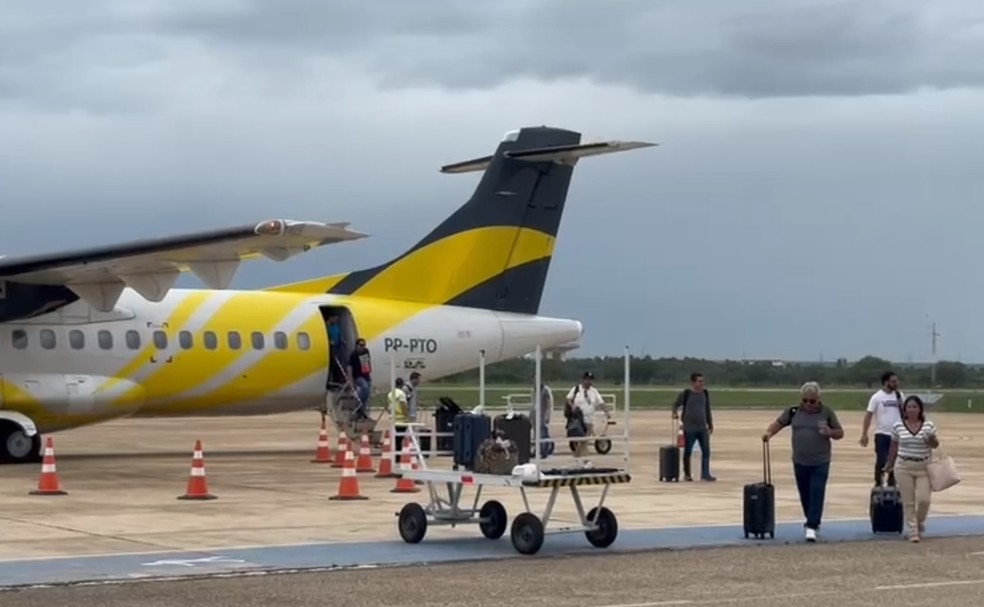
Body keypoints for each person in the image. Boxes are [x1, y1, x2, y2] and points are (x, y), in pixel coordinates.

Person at [762, 381, 844, 543]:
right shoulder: (793, 412)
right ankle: (811, 520)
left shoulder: (826, 413)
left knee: (817, 492)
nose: (808, 404)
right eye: (805, 400)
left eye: (812, 401)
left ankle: (811, 525)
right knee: (805, 494)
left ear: (818, 399)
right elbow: (779, 423)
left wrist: (829, 432)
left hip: (820, 461)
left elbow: (840, 433)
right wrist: (769, 433)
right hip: (800, 461)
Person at [885, 395, 939, 543]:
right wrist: (889, 463)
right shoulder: (898, 426)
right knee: (908, 501)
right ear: (904, 409)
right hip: (903, 466)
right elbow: (893, 446)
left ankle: (919, 522)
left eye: (915, 406)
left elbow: (935, 445)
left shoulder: (928, 426)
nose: (912, 409)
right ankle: (913, 531)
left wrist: (931, 439)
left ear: (920, 409)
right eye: (909, 407)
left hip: (923, 467)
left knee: (924, 500)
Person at [859, 371, 905, 486]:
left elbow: (905, 413)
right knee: (881, 460)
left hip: (897, 435)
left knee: (896, 460)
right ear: (886, 382)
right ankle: (878, 482)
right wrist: (864, 433)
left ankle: (892, 483)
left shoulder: (900, 396)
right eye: (893, 381)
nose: (896, 383)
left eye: (897, 381)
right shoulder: (877, 397)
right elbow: (868, 415)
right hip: (882, 434)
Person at [671, 372, 716, 482]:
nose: (702, 383)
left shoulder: (705, 393)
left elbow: (707, 409)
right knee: (688, 451)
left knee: (706, 451)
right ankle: (687, 474)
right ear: (693, 382)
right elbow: (675, 404)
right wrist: (674, 413)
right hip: (689, 428)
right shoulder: (686, 394)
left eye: (702, 381)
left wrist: (710, 424)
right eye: (699, 381)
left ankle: (705, 473)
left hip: (702, 427)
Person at [566, 371, 608, 463]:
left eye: (591, 380)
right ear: (583, 380)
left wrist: (606, 412)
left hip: (589, 420)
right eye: (587, 379)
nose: (589, 382)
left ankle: (579, 459)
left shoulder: (594, 392)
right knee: (582, 441)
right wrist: (572, 406)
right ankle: (583, 460)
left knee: (584, 440)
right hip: (578, 419)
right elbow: (568, 399)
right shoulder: (576, 389)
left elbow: (601, 402)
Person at [348, 338, 373, 419]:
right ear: (357, 346)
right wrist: (351, 380)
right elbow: (349, 367)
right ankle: (358, 405)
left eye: (364, 345)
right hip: (358, 376)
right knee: (365, 387)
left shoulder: (366, 352)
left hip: (366, 375)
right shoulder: (353, 354)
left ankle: (362, 411)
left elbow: (367, 361)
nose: (363, 347)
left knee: (367, 394)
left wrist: (370, 370)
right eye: (361, 345)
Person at [529, 378, 554, 459]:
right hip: (535, 414)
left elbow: (549, 404)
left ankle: (545, 451)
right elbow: (532, 403)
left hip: (542, 415)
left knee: (543, 433)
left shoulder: (545, 390)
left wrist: (547, 415)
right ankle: (537, 450)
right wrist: (530, 415)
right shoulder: (534, 391)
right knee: (536, 434)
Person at [388, 377, 410, 452]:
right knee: (400, 438)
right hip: (401, 418)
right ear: (401, 385)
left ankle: (396, 453)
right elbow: (403, 405)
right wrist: (406, 413)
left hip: (393, 417)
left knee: (396, 438)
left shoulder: (390, 394)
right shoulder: (401, 394)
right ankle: (398, 454)